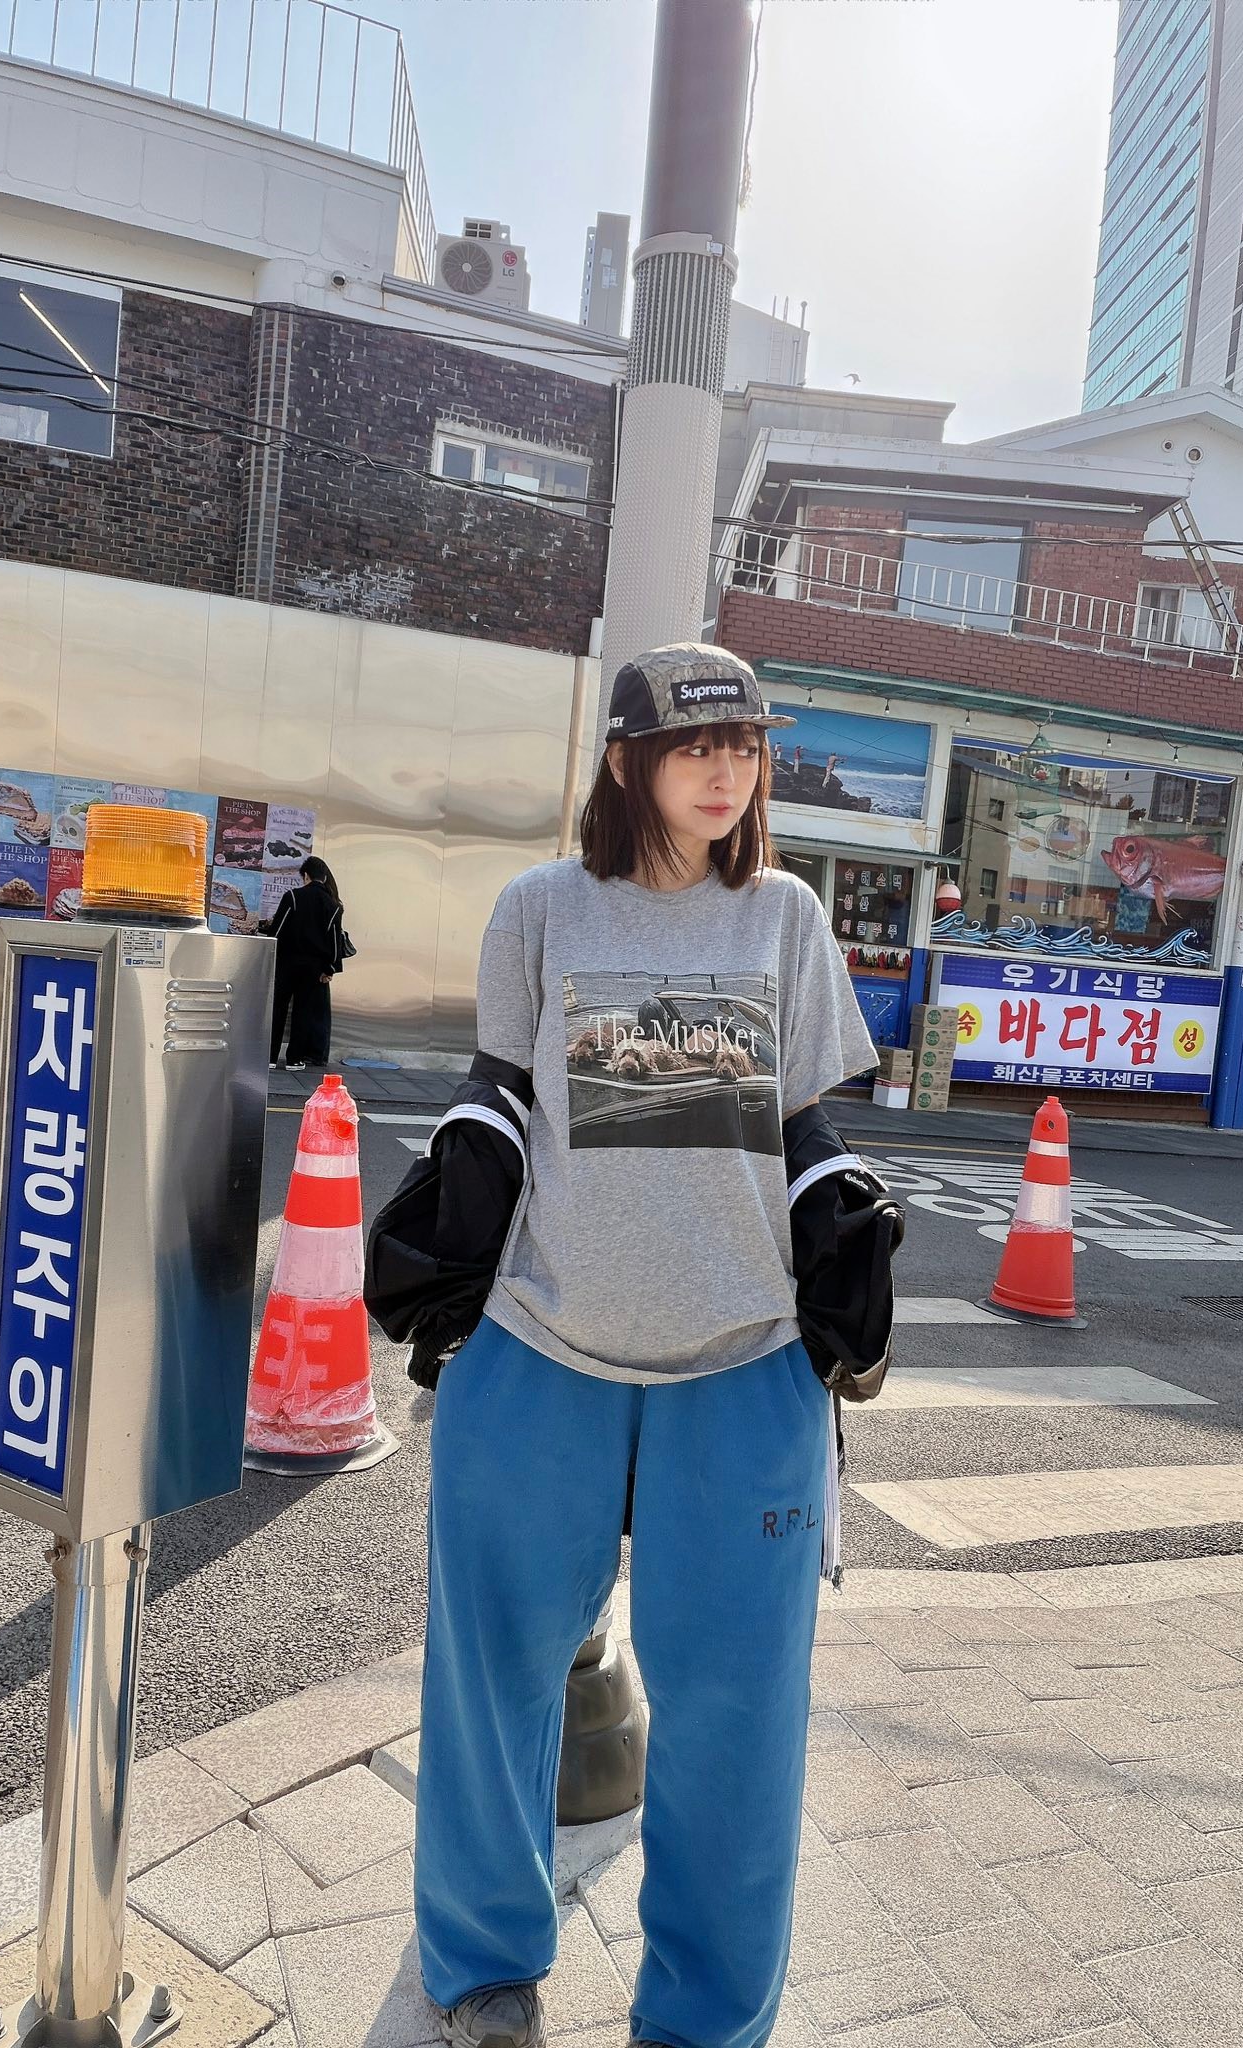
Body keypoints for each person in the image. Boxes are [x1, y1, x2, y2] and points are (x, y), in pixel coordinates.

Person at [415, 644, 876, 2048]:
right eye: (695, 746)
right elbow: (501, 1096)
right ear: (627, 761)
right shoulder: (539, 907)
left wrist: (849, 1259)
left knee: (739, 1717)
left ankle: (705, 2017)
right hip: (539, 1344)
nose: (726, 770)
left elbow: (801, 1123)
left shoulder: (786, 914)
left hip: (743, 1359)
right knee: (490, 1676)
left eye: (745, 745)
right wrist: (440, 1250)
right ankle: (483, 1965)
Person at [263, 856, 345, 1072]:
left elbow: (278, 930)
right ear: (324, 877)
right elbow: (334, 942)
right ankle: (294, 1059)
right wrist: (330, 968)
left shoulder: (293, 896)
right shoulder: (333, 905)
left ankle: (270, 1057)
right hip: (314, 968)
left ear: (306, 876)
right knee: (304, 1011)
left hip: (287, 962)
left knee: (278, 1008)